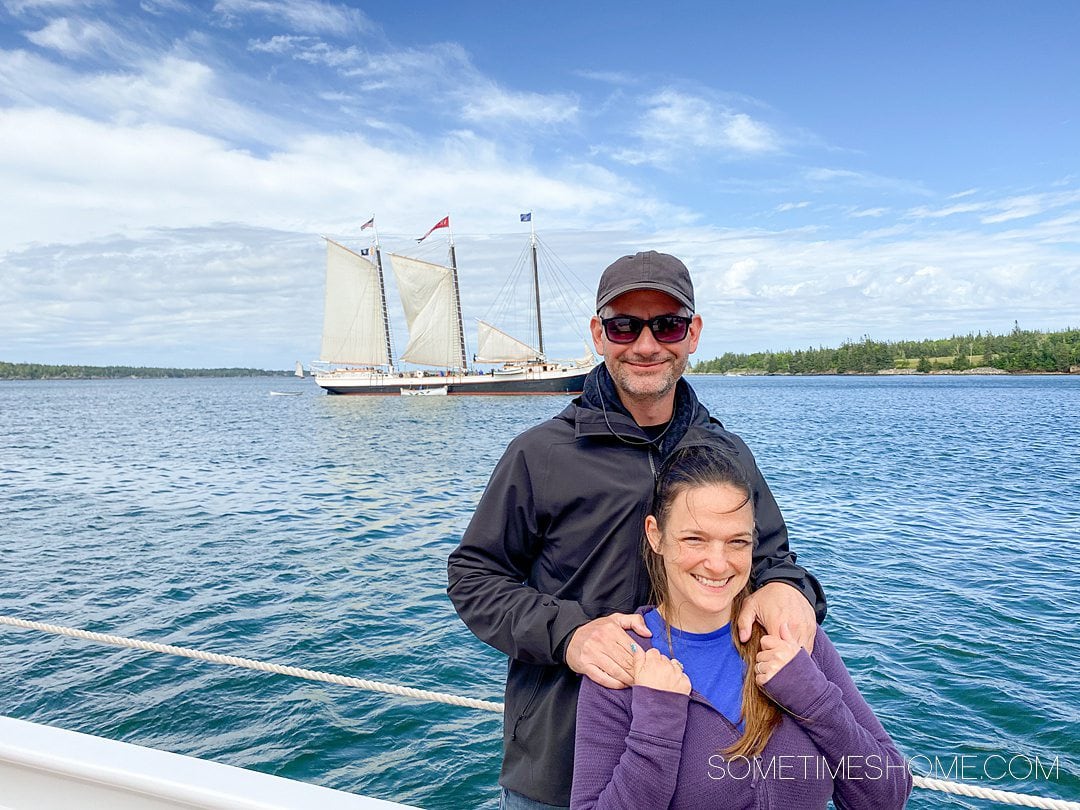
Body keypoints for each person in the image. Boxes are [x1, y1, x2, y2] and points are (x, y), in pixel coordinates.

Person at [447, 251, 827, 809]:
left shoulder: (728, 454)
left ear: (692, 333)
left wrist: (787, 589)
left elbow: (773, 560)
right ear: (599, 335)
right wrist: (570, 634)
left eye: (667, 324)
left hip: (707, 765)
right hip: (561, 762)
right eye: (625, 325)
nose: (646, 344)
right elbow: (473, 576)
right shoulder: (539, 454)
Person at [571, 444, 911, 809]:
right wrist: (655, 726)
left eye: (737, 542)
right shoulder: (621, 659)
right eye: (694, 539)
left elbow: (886, 796)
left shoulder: (789, 636)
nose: (718, 564)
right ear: (655, 535)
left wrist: (815, 700)